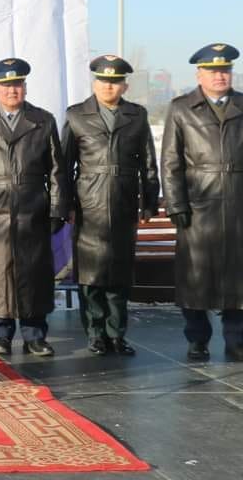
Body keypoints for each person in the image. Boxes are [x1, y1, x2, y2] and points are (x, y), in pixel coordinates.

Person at [0, 58, 67, 357]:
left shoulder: (43, 121)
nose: (12, 90)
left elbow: (56, 171)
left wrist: (57, 209)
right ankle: (0, 335)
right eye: (5, 86)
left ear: (25, 87)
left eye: (17, 84)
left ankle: (35, 336)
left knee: (35, 274)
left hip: (34, 209)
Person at [62, 55, 159, 356]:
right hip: (88, 203)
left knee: (119, 274)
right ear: (95, 83)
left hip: (123, 201)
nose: (109, 86)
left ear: (124, 86)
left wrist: (149, 202)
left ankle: (117, 334)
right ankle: (95, 334)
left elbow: (148, 163)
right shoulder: (76, 115)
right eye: (104, 80)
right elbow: (64, 166)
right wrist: (66, 204)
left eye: (115, 82)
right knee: (90, 276)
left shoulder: (137, 115)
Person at [161, 43, 243, 361]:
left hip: (238, 205)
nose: (220, 76)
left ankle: (237, 340)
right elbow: (171, 162)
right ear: (199, 75)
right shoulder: (182, 108)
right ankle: (197, 339)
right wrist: (176, 205)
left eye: (225, 70)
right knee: (195, 277)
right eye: (213, 71)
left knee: (238, 277)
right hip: (199, 205)